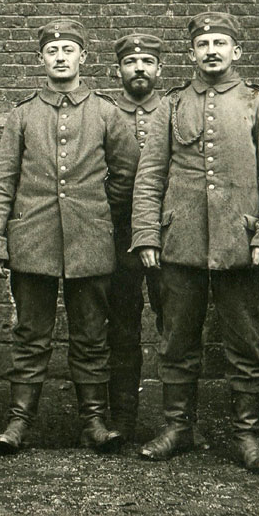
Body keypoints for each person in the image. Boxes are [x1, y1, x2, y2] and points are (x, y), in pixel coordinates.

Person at [131, 11, 259, 474]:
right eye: (203, 45)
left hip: (239, 243)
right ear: (191, 53)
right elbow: (150, 176)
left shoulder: (258, 103)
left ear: (235, 51)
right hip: (180, 243)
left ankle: (248, 437)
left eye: (220, 43)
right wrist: (147, 233)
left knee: (246, 344)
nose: (211, 51)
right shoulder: (172, 104)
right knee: (176, 341)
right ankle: (177, 428)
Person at [0, 18, 139, 455]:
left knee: (90, 336)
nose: (61, 57)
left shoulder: (105, 112)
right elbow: (1, 182)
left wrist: (96, 207)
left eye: (69, 50)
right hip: (33, 240)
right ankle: (18, 422)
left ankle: (94, 421)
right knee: (30, 336)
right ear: (41, 59)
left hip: (90, 242)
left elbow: (128, 172)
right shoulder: (23, 114)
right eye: (52, 51)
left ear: (83, 57)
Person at [106, 33, 165, 441]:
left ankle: (181, 420)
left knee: (175, 325)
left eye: (147, 61)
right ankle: (122, 418)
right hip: (118, 232)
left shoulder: (174, 110)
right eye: (131, 62)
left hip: (168, 233)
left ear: (160, 69)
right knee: (121, 328)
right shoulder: (105, 113)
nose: (139, 68)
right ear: (118, 71)